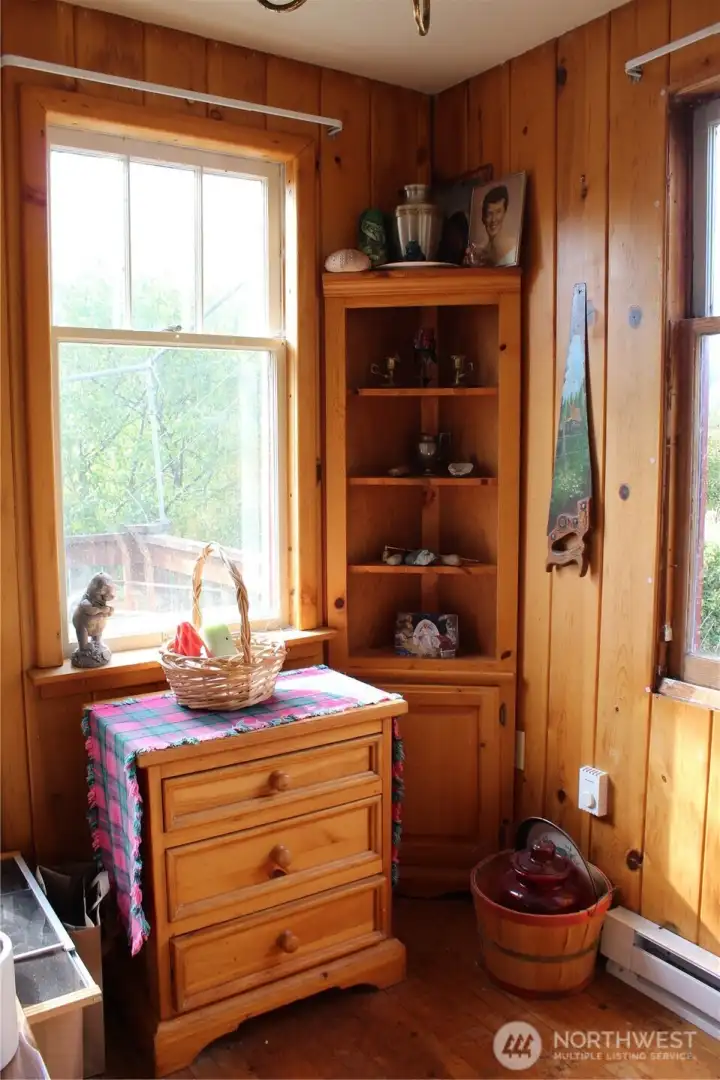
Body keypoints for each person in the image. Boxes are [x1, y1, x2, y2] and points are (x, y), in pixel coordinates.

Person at [472, 184, 516, 267]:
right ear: (483, 217)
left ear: (505, 213)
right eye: (489, 213)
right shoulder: (480, 253)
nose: (493, 219)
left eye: (498, 212)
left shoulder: (514, 250)